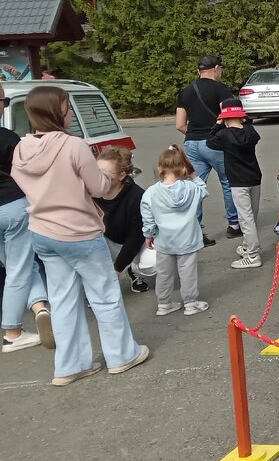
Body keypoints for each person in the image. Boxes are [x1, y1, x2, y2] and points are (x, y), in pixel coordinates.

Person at [12, 86, 148, 385]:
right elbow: (98, 188)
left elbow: (21, 181)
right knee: (105, 295)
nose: (71, 111)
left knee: (62, 300)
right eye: (67, 106)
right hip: (79, 231)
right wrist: (104, 178)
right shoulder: (73, 145)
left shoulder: (21, 148)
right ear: (56, 111)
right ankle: (121, 355)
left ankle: (70, 366)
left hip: (42, 230)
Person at [0, 84, 52, 353]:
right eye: (4, 101)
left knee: (17, 266)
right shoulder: (8, 138)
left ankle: (39, 306)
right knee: (19, 267)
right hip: (12, 206)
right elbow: (27, 172)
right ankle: (12, 332)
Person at [175, 55, 238, 242]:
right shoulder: (221, 89)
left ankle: (196, 231)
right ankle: (234, 224)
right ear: (217, 68)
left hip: (192, 144)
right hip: (215, 142)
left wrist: (195, 133)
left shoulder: (185, 92)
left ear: (198, 71)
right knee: (228, 181)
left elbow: (180, 124)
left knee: (195, 186)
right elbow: (227, 116)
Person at [141, 145, 210, 317]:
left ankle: (164, 304)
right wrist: (193, 174)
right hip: (188, 239)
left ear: (160, 168)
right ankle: (190, 303)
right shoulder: (191, 188)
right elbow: (203, 190)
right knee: (188, 272)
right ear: (184, 169)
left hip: (164, 240)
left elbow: (148, 216)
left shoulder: (151, 192)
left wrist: (148, 234)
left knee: (164, 273)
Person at [207, 98, 263, 269]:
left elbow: (209, 141)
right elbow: (253, 133)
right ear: (241, 115)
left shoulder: (223, 135)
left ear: (224, 117)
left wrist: (217, 125)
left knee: (245, 219)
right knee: (252, 217)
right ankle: (247, 246)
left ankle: (253, 255)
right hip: (254, 178)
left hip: (238, 181)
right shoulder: (250, 131)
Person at [94, 146, 151, 293]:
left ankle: (132, 268)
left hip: (134, 242)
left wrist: (118, 268)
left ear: (121, 176)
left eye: (105, 173)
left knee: (152, 262)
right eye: (96, 171)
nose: (99, 177)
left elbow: (135, 237)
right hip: (105, 241)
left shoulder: (137, 196)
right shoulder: (90, 192)